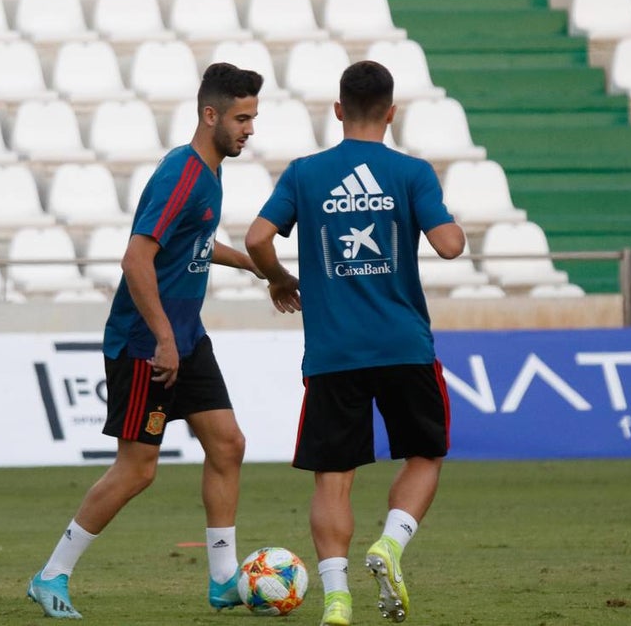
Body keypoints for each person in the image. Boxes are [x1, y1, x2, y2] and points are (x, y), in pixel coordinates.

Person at [27, 63, 266, 619]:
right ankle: (51, 575)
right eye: (242, 118)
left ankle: (225, 580)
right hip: (145, 341)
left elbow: (199, 241)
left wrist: (258, 268)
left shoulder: (210, 173)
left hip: (186, 337)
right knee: (138, 469)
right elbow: (137, 257)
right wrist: (162, 339)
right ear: (211, 115)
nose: (250, 129)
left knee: (227, 444)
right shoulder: (181, 173)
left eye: (253, 117)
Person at [244, 60, 465, 626]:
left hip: (333, 352)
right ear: (391, 113)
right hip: (403, 346)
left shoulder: (304, 173)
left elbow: (256, 237)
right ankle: (389, 544)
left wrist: (278, 278)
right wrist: (440, 218)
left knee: (334, 477)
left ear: (338, 110)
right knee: (426, 454)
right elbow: (449, 246)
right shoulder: (412, 173)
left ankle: (337, 599)